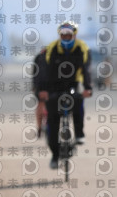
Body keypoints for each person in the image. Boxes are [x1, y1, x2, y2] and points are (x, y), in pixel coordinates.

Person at [37, 21, 93, 169]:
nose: (66, 37)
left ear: (74, 35)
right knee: (53, 122)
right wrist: (43, 90)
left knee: (78, 102)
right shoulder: (52, 48)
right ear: (60, 35)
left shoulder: (82, 48)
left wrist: (87, 88)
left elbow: (86, 70)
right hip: (53, 85)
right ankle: (55, 156)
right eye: (63, 35)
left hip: (73, 84)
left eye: (69, 35)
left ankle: (79, 133)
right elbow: (44, 71)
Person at [32, 47, 48, 138]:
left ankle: (39, 128)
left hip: (40, 86)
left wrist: (34, 86)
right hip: (48, 87)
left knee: (40, 105)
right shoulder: (41, 57)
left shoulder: (39, 57)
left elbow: (34, 73)